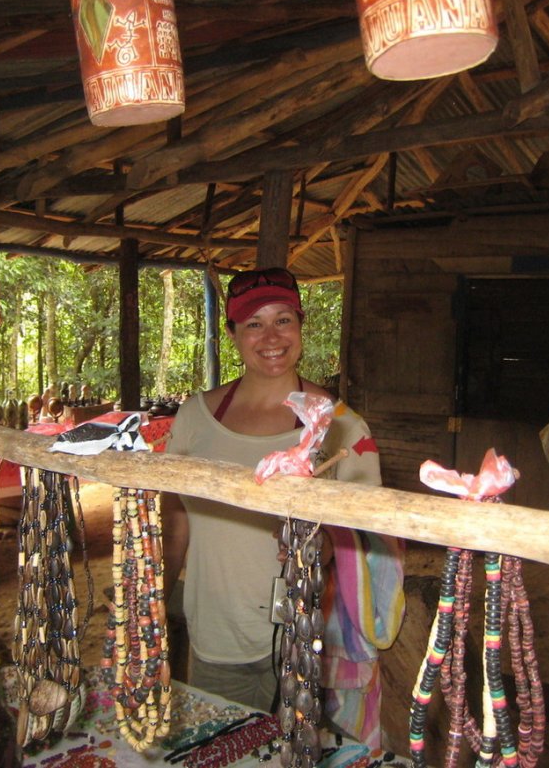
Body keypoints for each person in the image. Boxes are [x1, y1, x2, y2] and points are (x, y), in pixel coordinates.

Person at [162, 267, 405, 748]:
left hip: (306, 643)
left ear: (301, 325)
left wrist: (317, 544)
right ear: (231, 334)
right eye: (253, 323)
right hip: (216, 632)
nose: (271, 337)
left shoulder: (342, 429)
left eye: (283, 320)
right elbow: (175, 521)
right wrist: (154, 605)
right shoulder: (195, 418)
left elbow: (363, 541)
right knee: (219, 753)